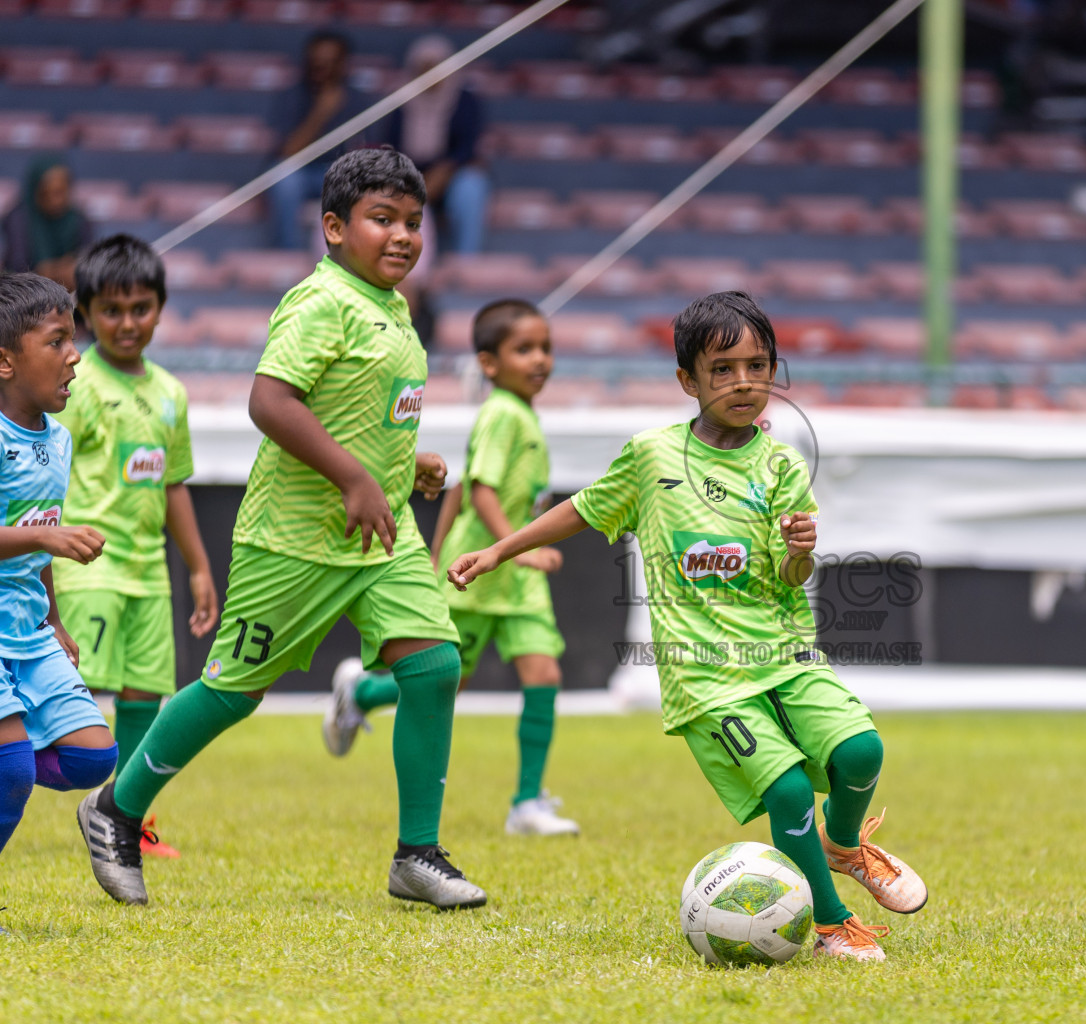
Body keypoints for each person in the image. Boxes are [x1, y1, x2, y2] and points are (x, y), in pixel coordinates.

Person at [445, 291, 928, 961]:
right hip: (706, 677)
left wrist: (800, 552)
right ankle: (829, 923)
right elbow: (581, 511)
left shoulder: (782, 465)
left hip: (786, 656)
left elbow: (793, 580)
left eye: (758, 367)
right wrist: (499, 550)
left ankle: (842, 846)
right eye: (723, 370)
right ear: (688, 381)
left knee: (862, 752)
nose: (743, 383)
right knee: (786, 788)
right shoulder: (651, 456)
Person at [76, 148, 481, 911]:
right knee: (232, 692)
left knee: (433, 667)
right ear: (334, 228)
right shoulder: (319, 301)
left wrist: (406, 464)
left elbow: (357, 410)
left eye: (413, 223)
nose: (401, 236)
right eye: (381, 219)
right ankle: (114, 810)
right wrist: (355, 476)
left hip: (378, 535)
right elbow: (270, 401)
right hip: (291, 538)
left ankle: (416, 854)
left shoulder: (394, 310)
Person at [324, 299, 574, 833]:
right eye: (524, 349)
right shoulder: (502, 413)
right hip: (481, 571)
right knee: (445, 680)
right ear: (488, 363)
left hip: (515, 579)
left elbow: (460, 485)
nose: (539, 360)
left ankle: (526, 803)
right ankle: (364, 691)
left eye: (546, 348)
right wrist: (518, 548)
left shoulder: (523, 414)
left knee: (544, 673)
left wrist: (438, 548)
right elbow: (481, 492)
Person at [54, 235, 220, 861]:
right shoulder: (74, 384)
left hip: (150, 574)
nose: (128, 323)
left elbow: (174, 485)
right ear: (86, 314)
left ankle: (127, 818)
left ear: (160, 308)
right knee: (74, 693)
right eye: (112, 310)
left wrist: (199, 568)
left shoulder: (171, 393)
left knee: (146, 699)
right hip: (86, 568)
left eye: (141, 308)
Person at [0, 273, 118, 867]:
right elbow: (40, 533)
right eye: (56, 342)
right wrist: (48, 534)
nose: (75, 356)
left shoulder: (60, 440)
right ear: (5, 362)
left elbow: (35, 548)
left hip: (30, 628)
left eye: (74, 340)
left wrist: (56, 619)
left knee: (93, 758)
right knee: (13, 770)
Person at [380, 35, 489, 255]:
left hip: (451, 173)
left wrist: (445, 170)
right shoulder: (400, 100)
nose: (430, 74)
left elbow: (468, 145)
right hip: (407, 173)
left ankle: (465, 261)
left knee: (472, 186)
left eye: (436, 67)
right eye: (424, 68)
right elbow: (389, 147)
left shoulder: (464, 100)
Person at [267, 31, 373, 250]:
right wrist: (321, 112)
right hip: (304, 173)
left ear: (343, 64)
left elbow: (368, 153)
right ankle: (288, 256)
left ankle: (353, 257)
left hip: (342, 173)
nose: (321, 68)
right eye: (316, 62)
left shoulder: (359, 100)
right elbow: (289, 151)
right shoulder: (293, 95)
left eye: (329, 62)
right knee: (283, 176)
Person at [1, 155, 94, 289]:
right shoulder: (18, 218)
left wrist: (64, 269)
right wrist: (52, 272)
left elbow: (89, 259)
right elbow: (17, 266)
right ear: (35, 191)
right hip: (25, 293)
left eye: (60, 192)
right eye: (47, 193)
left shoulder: (79, 219)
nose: (56, 201)